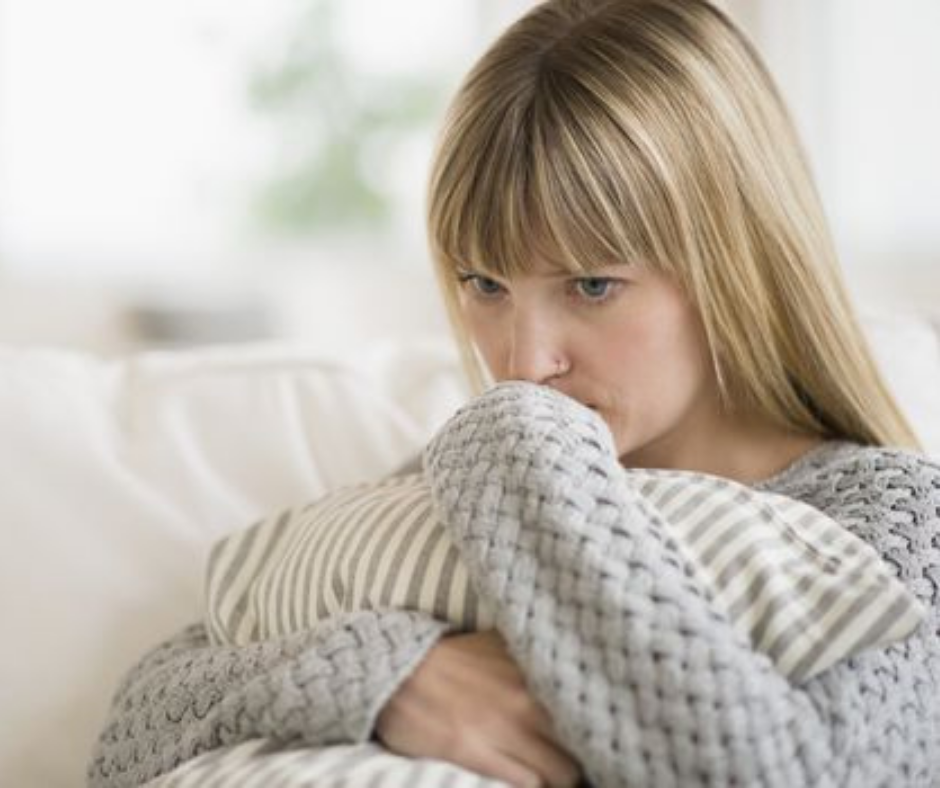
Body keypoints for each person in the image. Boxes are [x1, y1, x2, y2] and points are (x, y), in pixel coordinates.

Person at [88, 1, 940, 787]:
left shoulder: (894, 522)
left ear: (734, 261)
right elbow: (132, 734)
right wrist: (393, 676)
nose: (525, 363)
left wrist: (512, 446)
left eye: (593, 286)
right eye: (484, 283)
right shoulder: (441, 486)